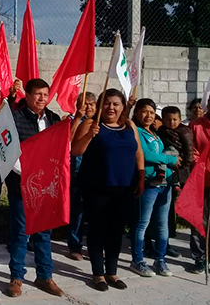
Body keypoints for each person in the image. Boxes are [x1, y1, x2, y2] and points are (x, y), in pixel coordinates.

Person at [72, 89, 144, 291]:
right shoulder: (91, 124)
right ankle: (98, 274)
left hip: (124, 187)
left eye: (115, 104)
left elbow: (138, 151)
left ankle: (112, 271)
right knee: (98, 230)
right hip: (97, 187)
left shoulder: (129, 125)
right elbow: (75, 150)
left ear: (122, 107)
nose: (111, 107)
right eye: (106, 103)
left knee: (116, 231)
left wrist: (140, 176)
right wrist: (89, 136)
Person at [5, 78, 64, 298]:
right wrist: (28, 174)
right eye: (37, 94)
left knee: (44, 233)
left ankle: (44, 275)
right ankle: (16, 277)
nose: (42, 98)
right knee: (20, 233)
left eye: (45, 95)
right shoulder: (15, 119)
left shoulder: (54, 119)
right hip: (22, 185)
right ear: (27, 96)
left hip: (47, 188)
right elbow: (9, 153)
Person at [130, 98, 181, 278]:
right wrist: (171, 160)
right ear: (136, 113)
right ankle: (137, 260)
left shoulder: (154, 133)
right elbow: (145, 154)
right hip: (149, 185)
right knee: (142, 224)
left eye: (151, 112)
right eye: (144, 111)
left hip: (164, 185)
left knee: (162, 225)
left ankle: (160, 259)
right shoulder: (136, 131)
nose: (148, 115)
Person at [153, 106, 194, 259]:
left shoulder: (184, 131)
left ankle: (166, 243)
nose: (171, 122)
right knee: (160, 212)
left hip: (179, 169)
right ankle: (158, 243)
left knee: (169, 211)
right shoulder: (160, 130)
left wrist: (185, 164)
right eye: (168, 119)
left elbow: (189, 150)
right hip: (163, 171)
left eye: (175, 119)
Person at [66, 92, 97, 261]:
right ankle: (75, 245)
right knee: (77, 211)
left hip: (96, 174)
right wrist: (77, 119)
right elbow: (67, 142)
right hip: (76, 172)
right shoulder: (71, 121)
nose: (89, 107)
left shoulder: (100, 123)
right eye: (84, 103)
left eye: (92, 103)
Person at [187, 98, 210, 273]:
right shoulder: (196, 125)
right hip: (200, 179)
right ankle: (199, 258)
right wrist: (201, 164)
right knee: (198, 221)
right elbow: (191, 150)